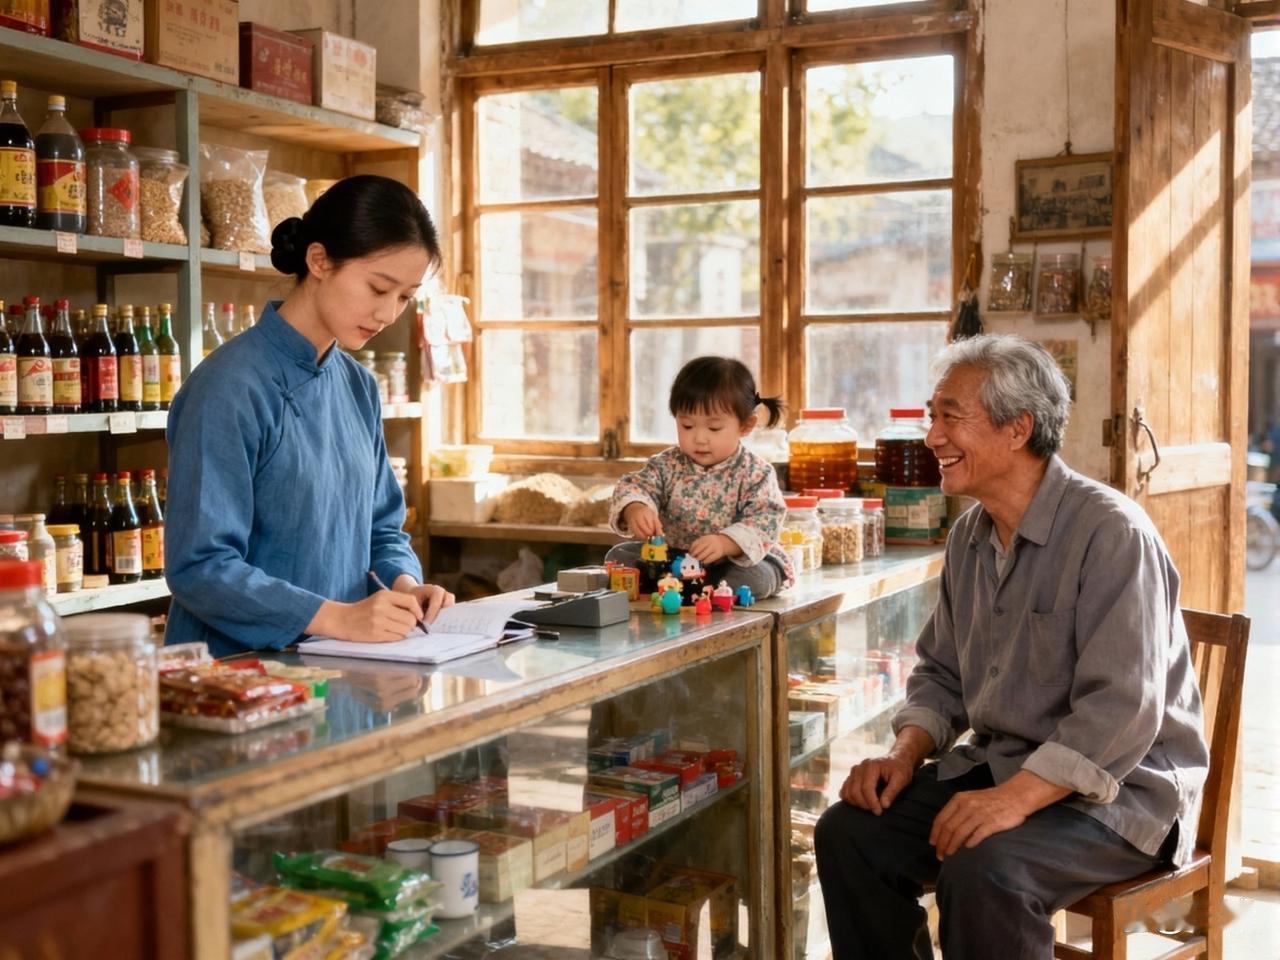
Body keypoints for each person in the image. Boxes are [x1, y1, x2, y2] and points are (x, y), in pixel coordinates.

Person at [814, 334, 1208, 959]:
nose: (931, 437)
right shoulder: (970, 534)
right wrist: (903, 753)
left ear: (1018, 427)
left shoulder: (1112, 534)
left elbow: (1123, 709)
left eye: (950, 417)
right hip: (1001, 767)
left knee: (984, 867)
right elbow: (942, 673)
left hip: (1122, 795)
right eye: (931, 415)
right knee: (850, 833)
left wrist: (1010, 800)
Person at [164, 175, 454, 656]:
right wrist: (338, 617)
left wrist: (403, 586)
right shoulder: (229, 386)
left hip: (341, 666)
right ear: (319, 261)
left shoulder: (358, 386)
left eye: (405, 297)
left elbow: (383, 528)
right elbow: (201, 566)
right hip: (236, 675)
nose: (387, 313)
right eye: (378, 288)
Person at [606, 356, 792, 600]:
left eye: (714, 428)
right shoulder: (666, 465)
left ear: (746, 426)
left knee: (758, 578)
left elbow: (765, 520)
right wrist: (635, 508)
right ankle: (682, 584)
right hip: (674, 559)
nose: (699, 438)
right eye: (687, 426)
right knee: (618, 556)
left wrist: (726, 543)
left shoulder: (756, 472)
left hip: (733, 563)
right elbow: (635, 486)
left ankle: (705, 588)